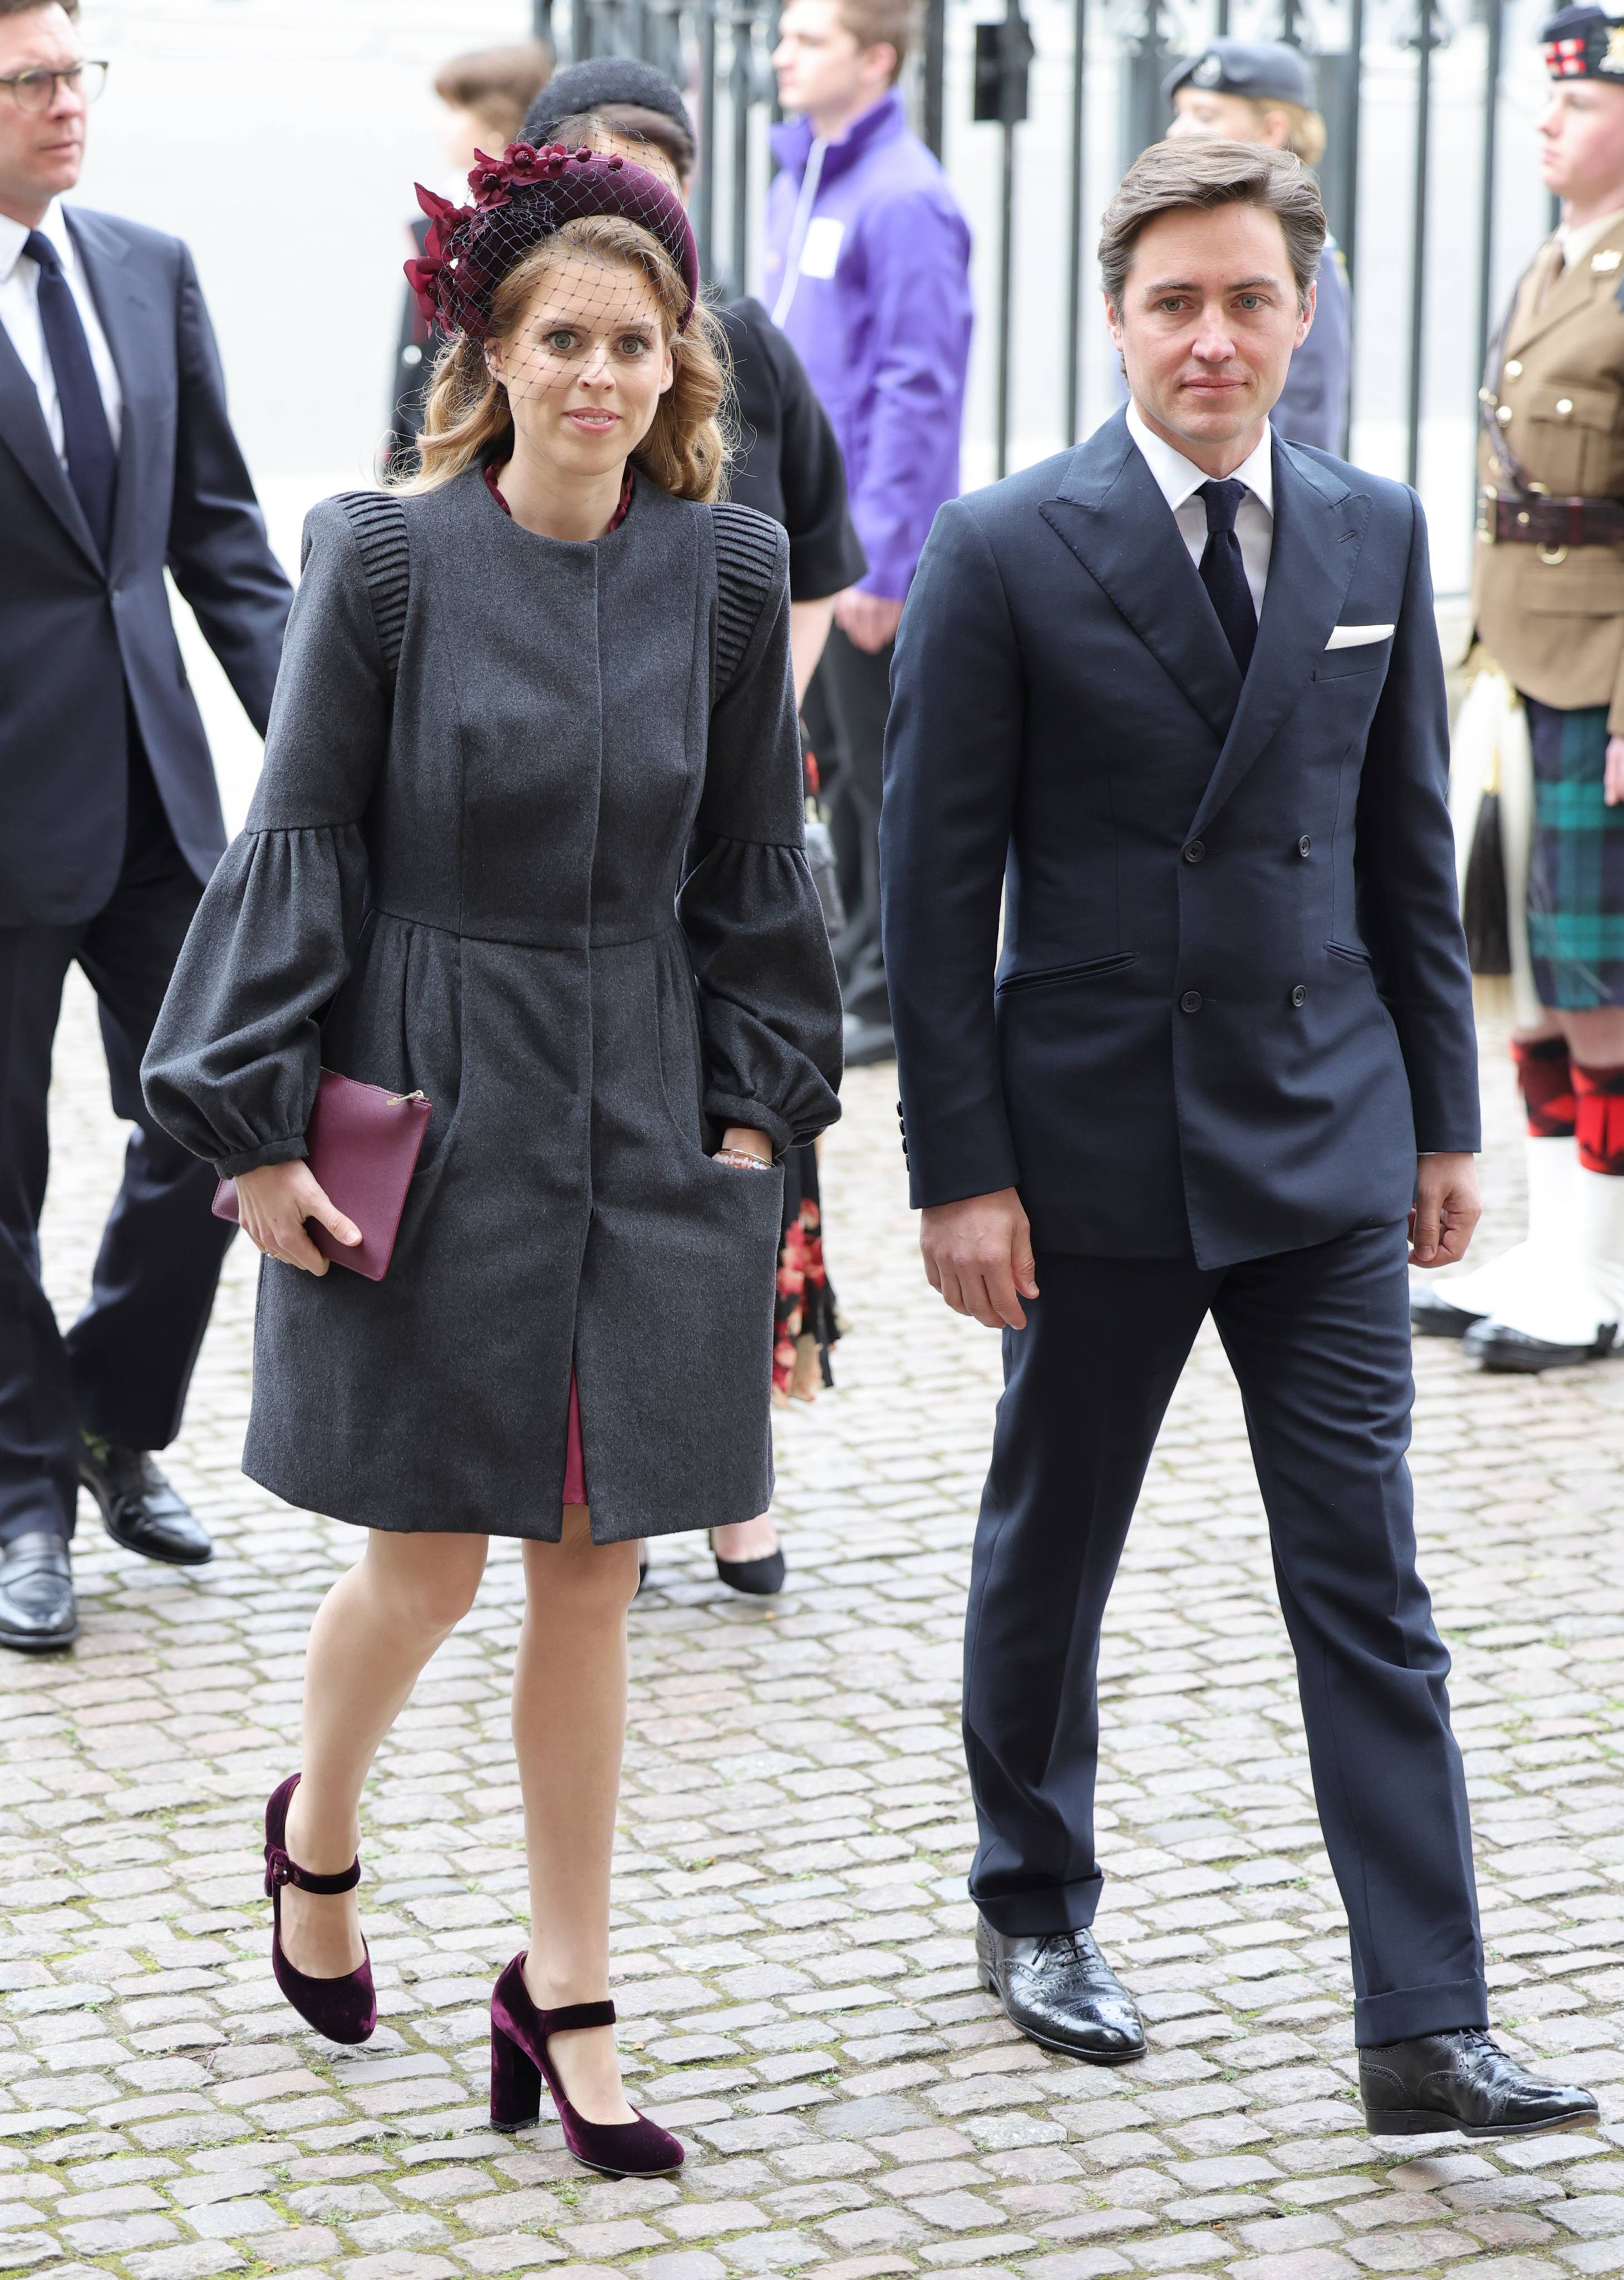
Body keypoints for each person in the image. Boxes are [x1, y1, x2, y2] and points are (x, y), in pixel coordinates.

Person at [881, 137, 1597, 2138]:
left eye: (1250, 297)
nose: (1214, 334)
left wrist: (1447, 1128)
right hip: (1090, 1150)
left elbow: (1398, 861)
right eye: (1176, 299)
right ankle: (1033, 1900)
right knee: (1055, 1548)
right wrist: (957, 1171)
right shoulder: (1007, 545)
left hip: (1321, 1146)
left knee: (1367, 1583)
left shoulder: (1370, 535)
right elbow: (930, 901)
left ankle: (1424, 2020)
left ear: (1304, 313)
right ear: (1117, 317)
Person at [143, 146, 841, 2158]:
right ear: (494, 348)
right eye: (565, 338)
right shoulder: (377, 555)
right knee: (425, 1560)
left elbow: (751, 868)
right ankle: (322, 1832)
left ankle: (568, 1987)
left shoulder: (724, 566)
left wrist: (753, 1105)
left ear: (674, 359)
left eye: (636, 340)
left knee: (595, 1568)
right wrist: (259, 1124)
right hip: (435, 1089)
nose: (602, 373)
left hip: (644, 1098)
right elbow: (303, 841)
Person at [525, 58, 869, 1594]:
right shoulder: (512, 348)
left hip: (717, 823)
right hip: (546, 852)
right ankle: (601, 1456)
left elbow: (815, 568)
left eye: (659, 164)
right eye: (605, 164)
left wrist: (745, 729)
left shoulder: (751, 356)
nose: (638, 189)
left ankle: (735, 1469)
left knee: (744, 1137)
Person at [0, 0, 292, 1653]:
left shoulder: (142, 266)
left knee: (223, 1119)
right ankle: (19, 1493)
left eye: (75, 75)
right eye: (30, 82)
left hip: (156, 801)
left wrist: (336, 752)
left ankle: (107, 1414)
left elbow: (221, 547)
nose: (65, 107)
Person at [1412, 1, 1624, 1373]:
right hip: (1519, 655)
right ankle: (1556, 1247)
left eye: (1577, 100)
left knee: (1598, 979)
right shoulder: (1561, 257)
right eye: (1541, 100)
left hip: (1601, 668)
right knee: (1532, 978)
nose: (1542, 119)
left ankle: (1596, 1268)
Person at [766, 0, 973, 1068]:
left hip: (860, 556)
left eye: (809, 41)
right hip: (804, 538)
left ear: (876, 59)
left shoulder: (903, 199)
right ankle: (849, 972)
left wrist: (882, 556)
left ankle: (886, 994)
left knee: (874, 774)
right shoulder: (798, 171)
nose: (781, 56)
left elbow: (917, 386)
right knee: (823, 763)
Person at [1163, 38, 1351, 454]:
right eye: (1181, 113)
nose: (1179, 131)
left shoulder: (1303, 256)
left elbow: (1308, 409)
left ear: (1272, 130)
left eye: (1205, 115)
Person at [386, 40, 553, 471]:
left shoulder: (506, 228)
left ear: (497, 123)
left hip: (465, 450)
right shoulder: (444, 216)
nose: (442, 127)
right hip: (421, 436)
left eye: (457, 112)